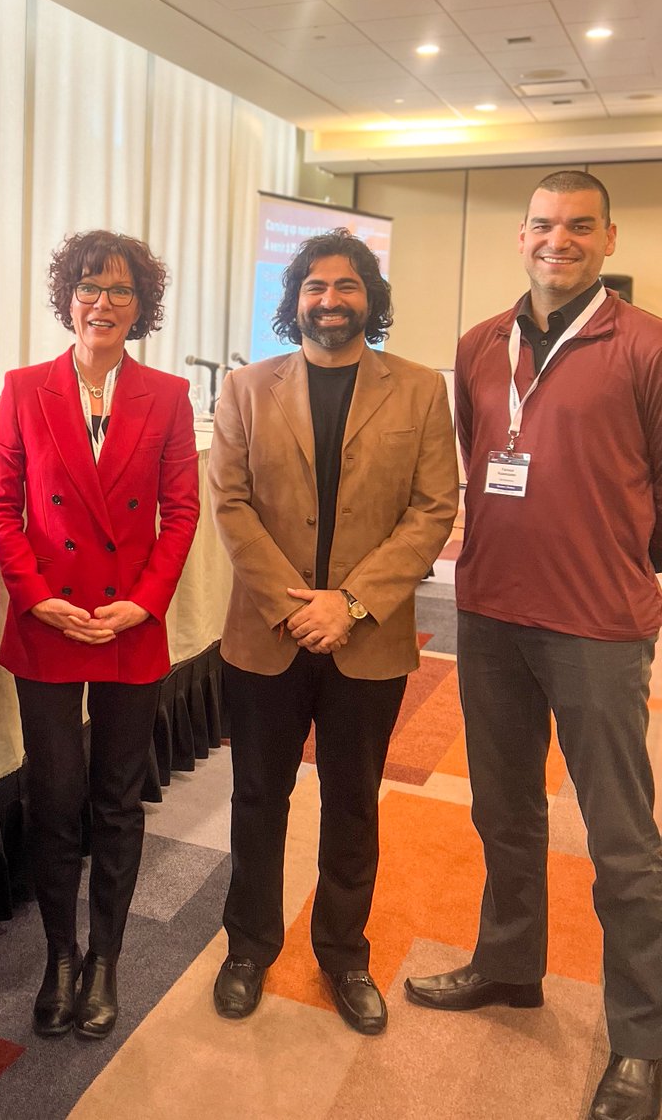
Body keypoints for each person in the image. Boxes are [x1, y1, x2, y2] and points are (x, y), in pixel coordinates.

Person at [404, 171, 662, 1120]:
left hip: (598, 624)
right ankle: (511, 965)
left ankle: (642, 1038)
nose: (561, 240)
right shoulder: (479, 346)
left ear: (608, 238)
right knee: (504, 812)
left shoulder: (645, 346)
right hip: (492, 616)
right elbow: (477, 461)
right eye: (546, 225)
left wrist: (627, 560)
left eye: (580, 227)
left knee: (623, 841)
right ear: (522, 235)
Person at [208, 229, 458, 1034]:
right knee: (257, 797)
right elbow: (232, 504)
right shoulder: (247, 388)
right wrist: (294, 606)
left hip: (369, 641)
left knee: (353, 803)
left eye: (347, 286)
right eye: (315, 286)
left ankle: (343, 954)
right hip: (266, 636)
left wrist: (347, 604)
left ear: (369, 299)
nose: (330, 299)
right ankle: (248, 945)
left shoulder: (419, 390)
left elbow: (433, 510)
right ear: (296, 301)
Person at [0, 229, 199, 1039]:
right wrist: (34, 596)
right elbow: (0, 505)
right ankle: (58, 954)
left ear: (140, 307)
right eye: (87, 287)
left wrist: (144, 602)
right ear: (65, 297)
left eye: (118, 291)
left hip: (126, 624)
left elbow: (181, 512)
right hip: (49, 622)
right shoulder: (23, 387)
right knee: (54, 798)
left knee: (115, 801)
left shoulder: (169, 396)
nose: (100, 303)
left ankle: (105, 957)